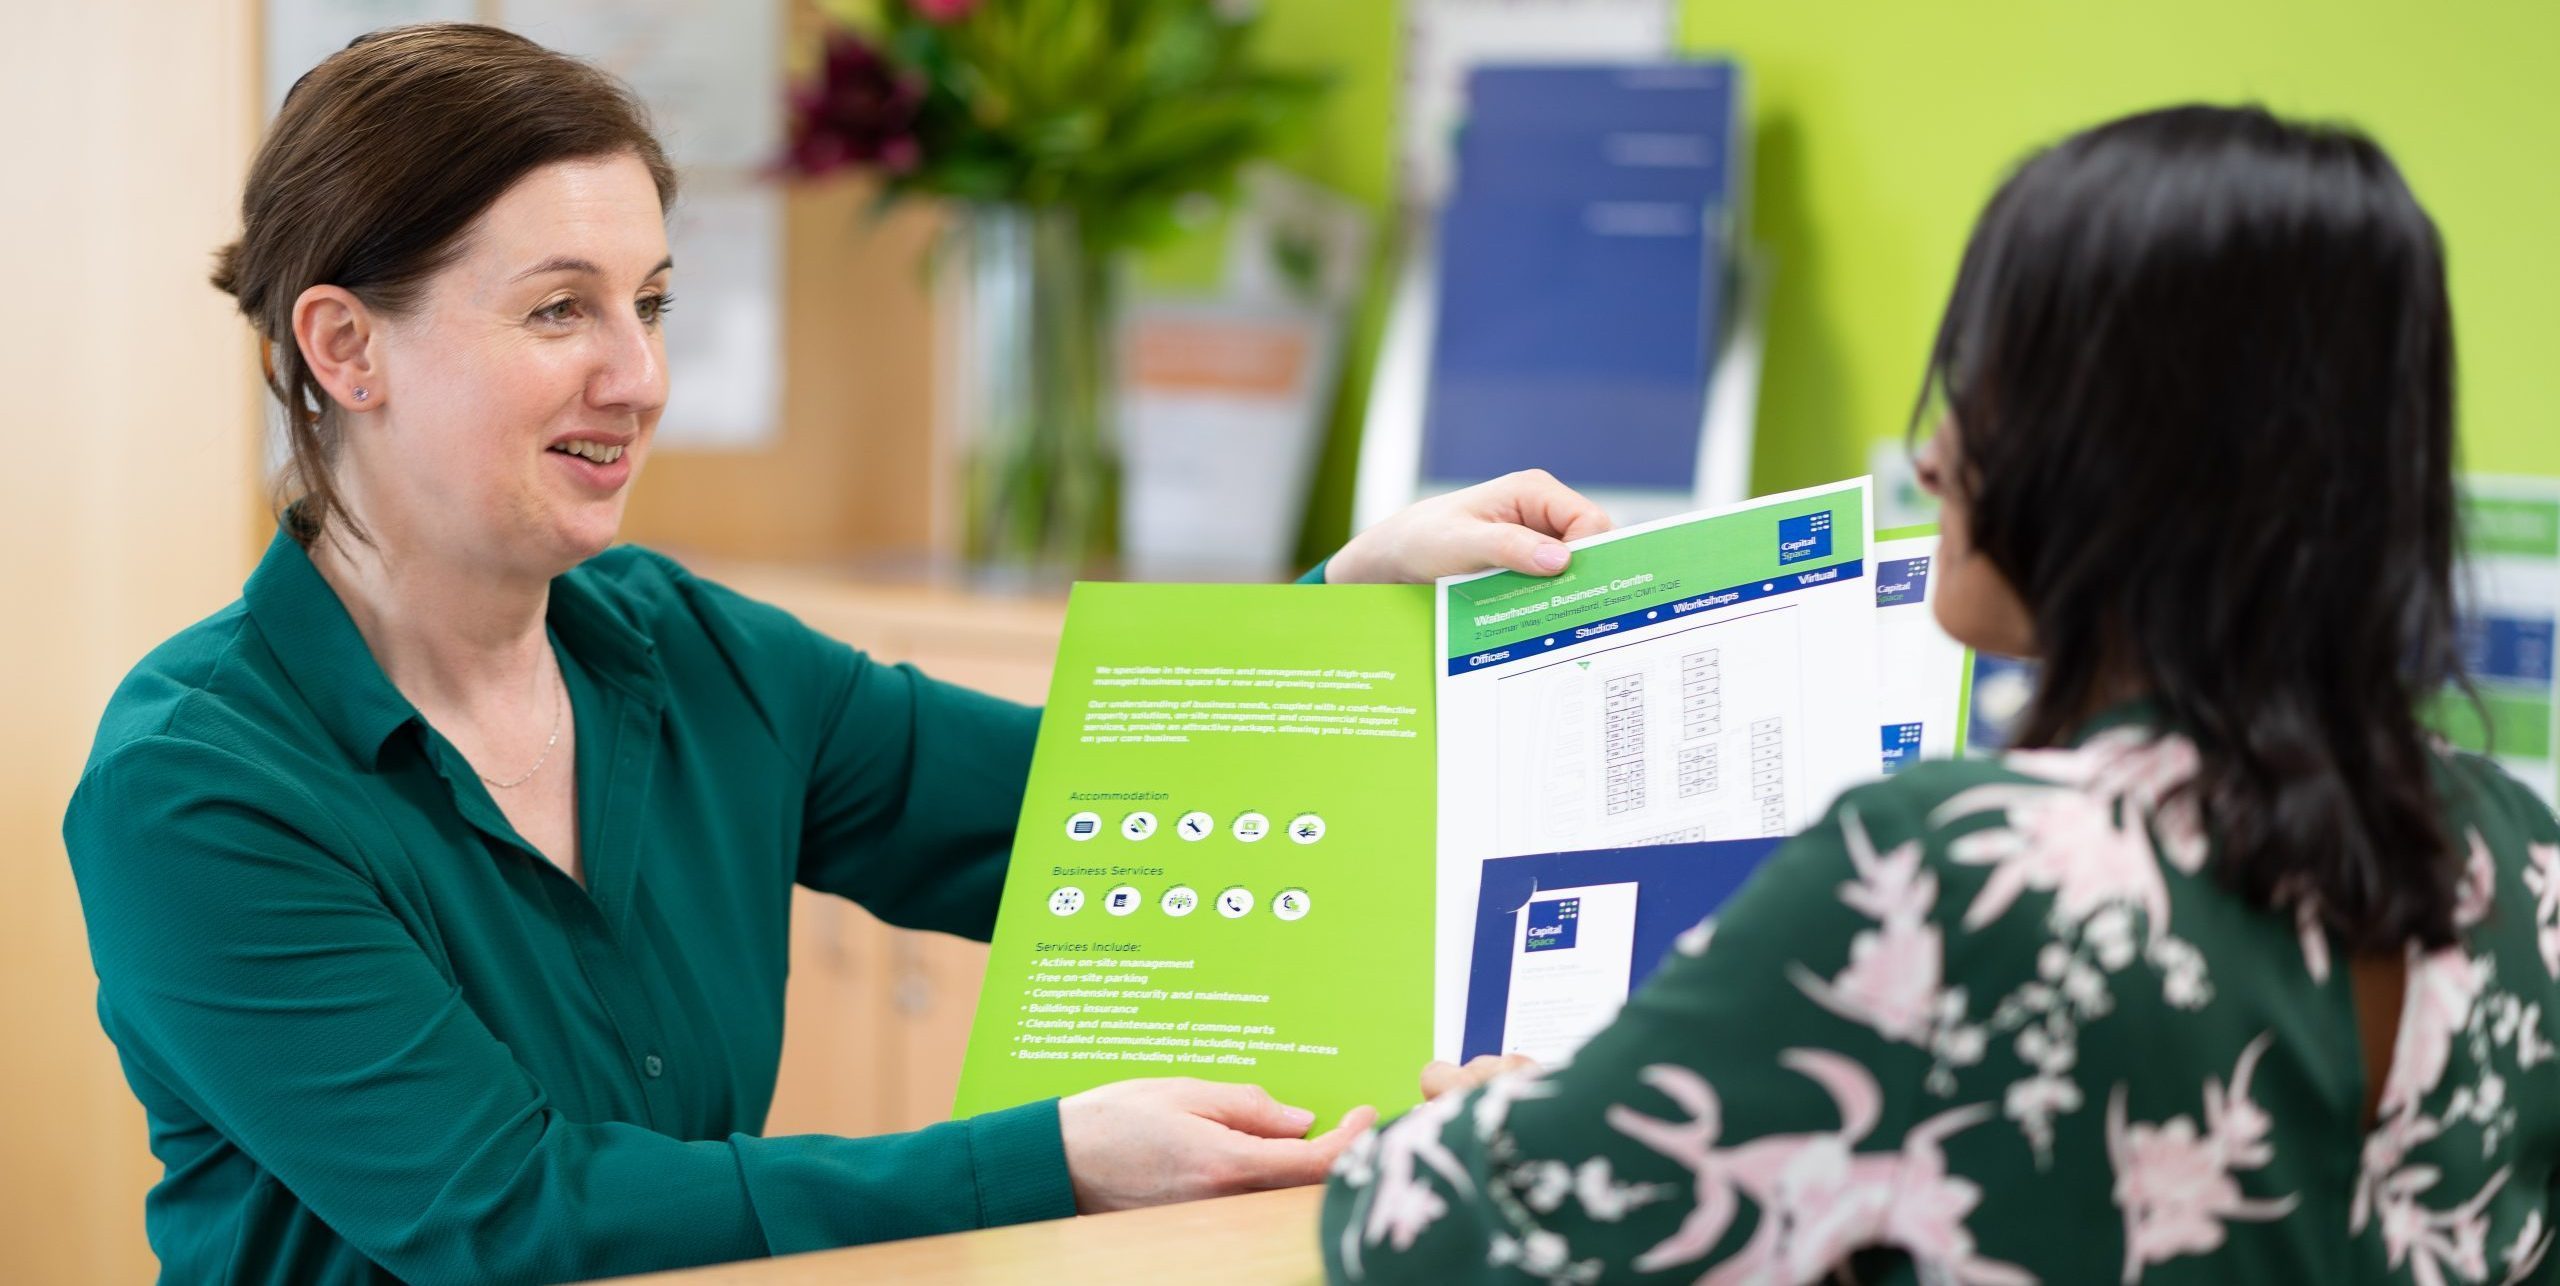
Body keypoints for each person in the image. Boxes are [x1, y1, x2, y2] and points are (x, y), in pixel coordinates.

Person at [61, 24, 1613, 1285]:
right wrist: (1053, 1156)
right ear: (345, 348)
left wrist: (1352, 596)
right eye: (559, 311)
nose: (640, 375)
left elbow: (1084, 814)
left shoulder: (677, 648)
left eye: (653, 303)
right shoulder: (195, 783)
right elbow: (507, 1217)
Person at [1322, 104, 2560, 1284]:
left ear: (2118, 455)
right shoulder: (2520, 860)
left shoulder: (1958, 871)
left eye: (1987, 383)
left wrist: (1507, 1117)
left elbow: (1410, 1223)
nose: (1937, 448)